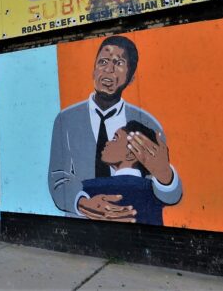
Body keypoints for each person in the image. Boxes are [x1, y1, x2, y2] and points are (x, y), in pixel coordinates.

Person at [48, 35, 182, 221]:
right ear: (93, 70)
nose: (108, 70)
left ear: (131, 77)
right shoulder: (66, 120)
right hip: (81, 228)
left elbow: (169, 197)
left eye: (118, 63)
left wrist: (165, 176)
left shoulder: (147, 124)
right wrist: (82, 203)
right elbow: (58, 179)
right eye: (102, 61)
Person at [82, 121, 175, 225]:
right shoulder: (154, 191)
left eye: (115, 138)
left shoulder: (91, 187)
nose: (108, 142)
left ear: (131, 154)